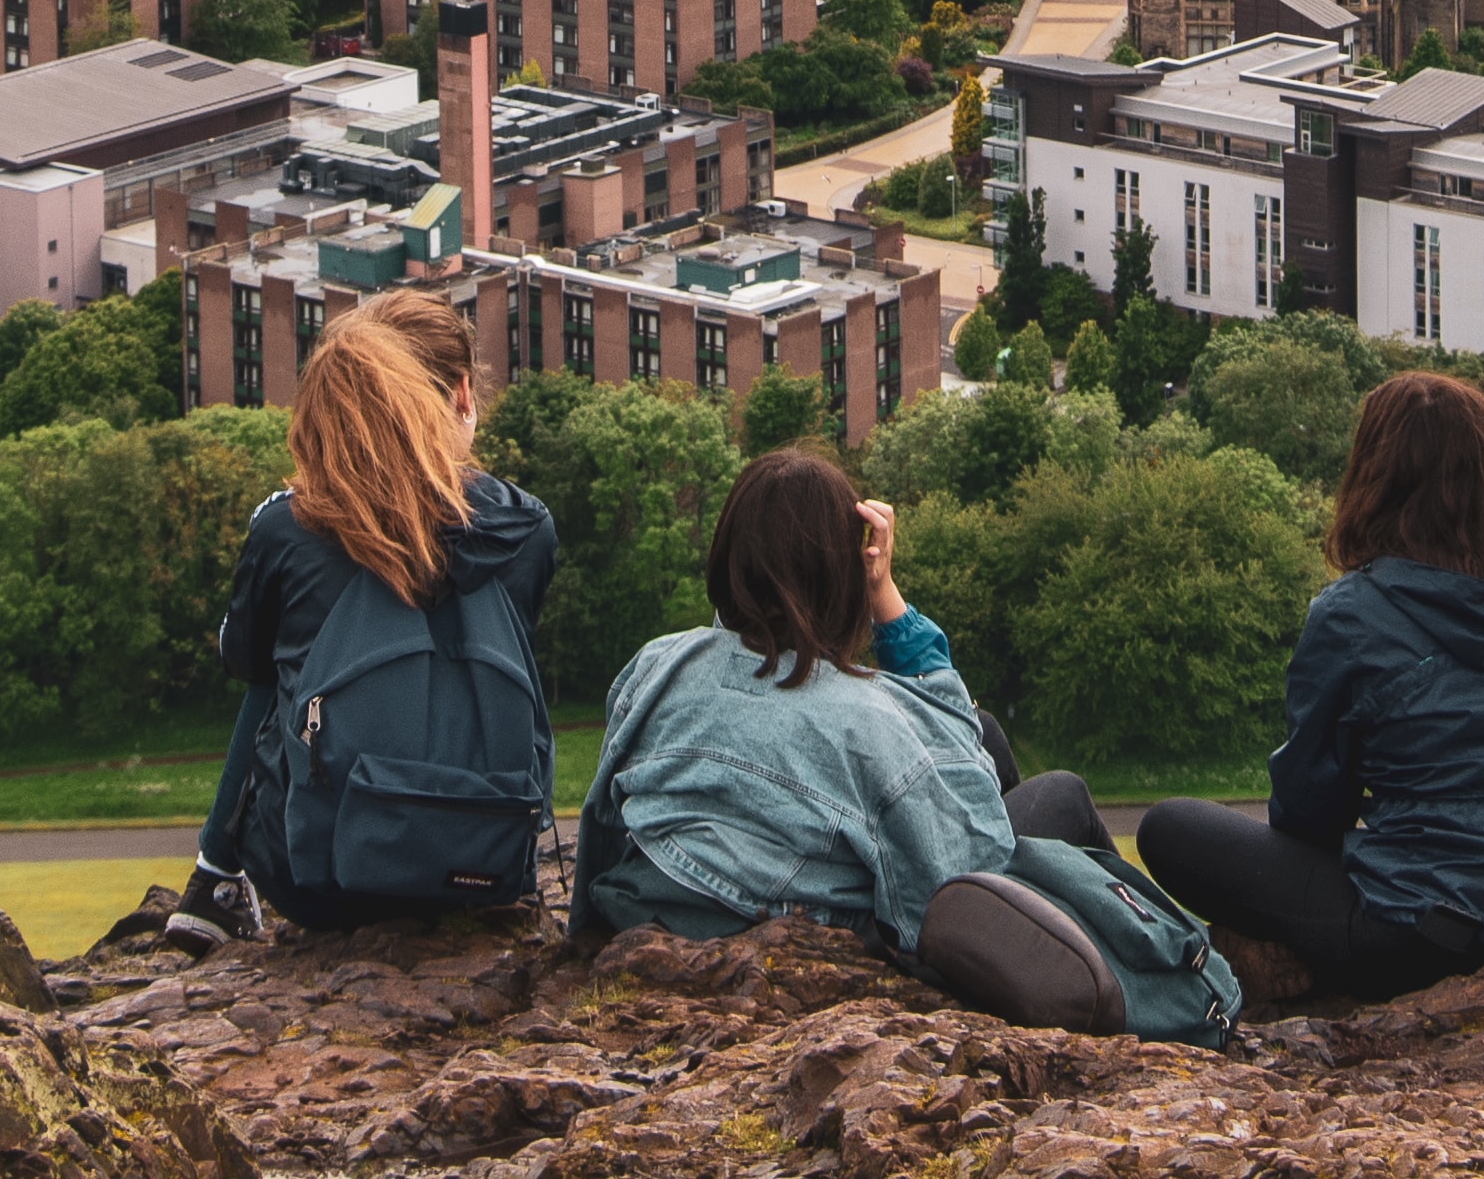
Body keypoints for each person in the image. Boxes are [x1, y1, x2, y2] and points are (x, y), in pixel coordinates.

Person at [578, 448, 1161, 1033]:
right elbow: (968, 862)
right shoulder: (862, 722)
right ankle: (1152, 965)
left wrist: (584, 932)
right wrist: (884, 595)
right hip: (804, 914)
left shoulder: (657, 666)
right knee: (1062, 793)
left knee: (985, 735)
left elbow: (602, 815)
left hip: (664, 898)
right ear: (843, 570)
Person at [1135, 369, 1484, 1003]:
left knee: (1167, 829)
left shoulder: (1351, 616)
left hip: (1428, 941)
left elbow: (1307, 811)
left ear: (1375, 478)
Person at [179, 290, 559, 943]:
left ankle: (215, 877)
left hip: (320, 884)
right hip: (485, 867)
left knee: (274, 675)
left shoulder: (287, 528)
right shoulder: (528, 529)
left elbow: (242, 660)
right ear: (462, 394)